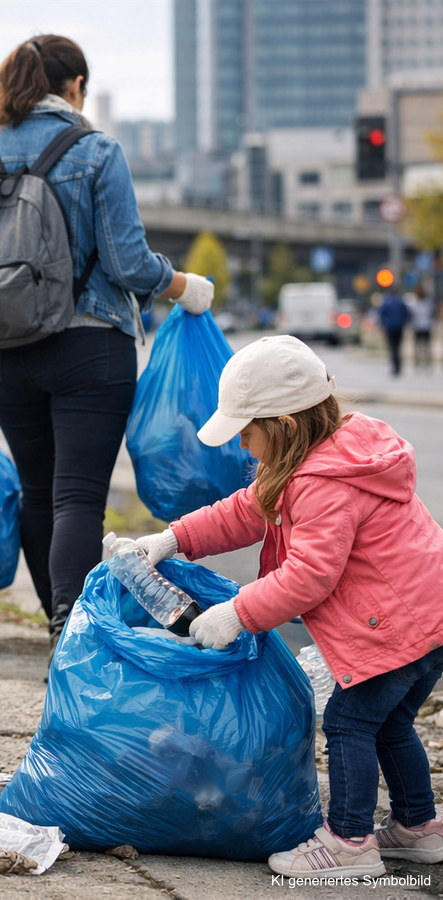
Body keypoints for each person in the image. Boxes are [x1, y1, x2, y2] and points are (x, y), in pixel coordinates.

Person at [0, 34, 214, 654]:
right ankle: (72, 629)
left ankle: (58, 617)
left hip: (0, 355)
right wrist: (184, 285)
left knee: (38, 489)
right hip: (88, 349)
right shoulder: (96, 151)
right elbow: (129, 263)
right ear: (75, 86)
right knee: (78, 494)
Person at [136, 335, 443, 879]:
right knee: (391, 722)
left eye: (248, 434)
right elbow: (240, 513)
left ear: (284, 426)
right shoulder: (331, 457)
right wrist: (172, 540)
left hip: (395, 627)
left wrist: (237, 613)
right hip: (427, 617)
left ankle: (350, 843)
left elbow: (310, 575)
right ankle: (418, 829)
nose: (243, 448)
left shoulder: (323, 484)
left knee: (349, 722)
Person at [378, 287, 409, 376]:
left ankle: (395, 366)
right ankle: (398, 365)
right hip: (399, 327)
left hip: (390, 327)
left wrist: (383, 325)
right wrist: (404, 323)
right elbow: (406, 313)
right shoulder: (401, 302)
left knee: (392, 347)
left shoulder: (387, 303)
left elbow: (381, 315)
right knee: (398, 347)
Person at [408, 285, 435, 372]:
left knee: (427, 347)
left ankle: (428, 364)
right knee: (417, 347)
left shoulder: (428, 302)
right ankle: (418, 364)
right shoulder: (413, 302)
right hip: (417, 327)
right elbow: (411, 314)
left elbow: (431, 313)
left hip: (426, 326)